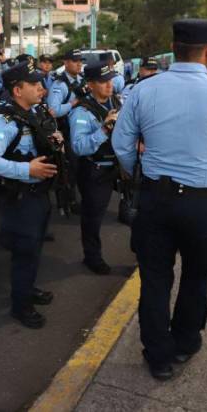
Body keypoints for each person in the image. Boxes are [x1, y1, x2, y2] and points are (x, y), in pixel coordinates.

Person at [112, 18, 207, 380]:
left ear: (173, 48)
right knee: (197, 275)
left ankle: (158, 356)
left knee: (155, 279)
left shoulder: (144, 89)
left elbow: (121, 145)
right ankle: (186, 340)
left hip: (154, 199)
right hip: (200, 204)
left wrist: (139, 178)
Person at [0, 61, 60, 328]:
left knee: (35, 248)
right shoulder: (4, 121)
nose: (41, 88)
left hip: (38, 194)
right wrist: (27, 168)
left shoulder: (33, 111)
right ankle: (20, 305)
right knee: (24, 252)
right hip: (21, 198)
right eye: (34, 84)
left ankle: (27, 289)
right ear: (17, 90)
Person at [70, 62, 122, 275]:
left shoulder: (116, 101)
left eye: (110, 80)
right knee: (93, 217)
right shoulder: (81, 111)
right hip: (96, 170)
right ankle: (92, 256)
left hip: (117, 166)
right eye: (103, 82)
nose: (109, 85)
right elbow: (79, 147)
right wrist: (104, 128)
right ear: (90, 85)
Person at [47, 49, 87, 213]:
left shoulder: (82, 80)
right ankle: (69, 200)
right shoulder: (59, 84)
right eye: (75, 60)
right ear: (65, 62)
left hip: (82, 128)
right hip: (66, 131)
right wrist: (73, 104)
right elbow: (53, 110)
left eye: (80, 60)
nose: (79, 64)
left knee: (82, 167)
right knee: (70, 168)